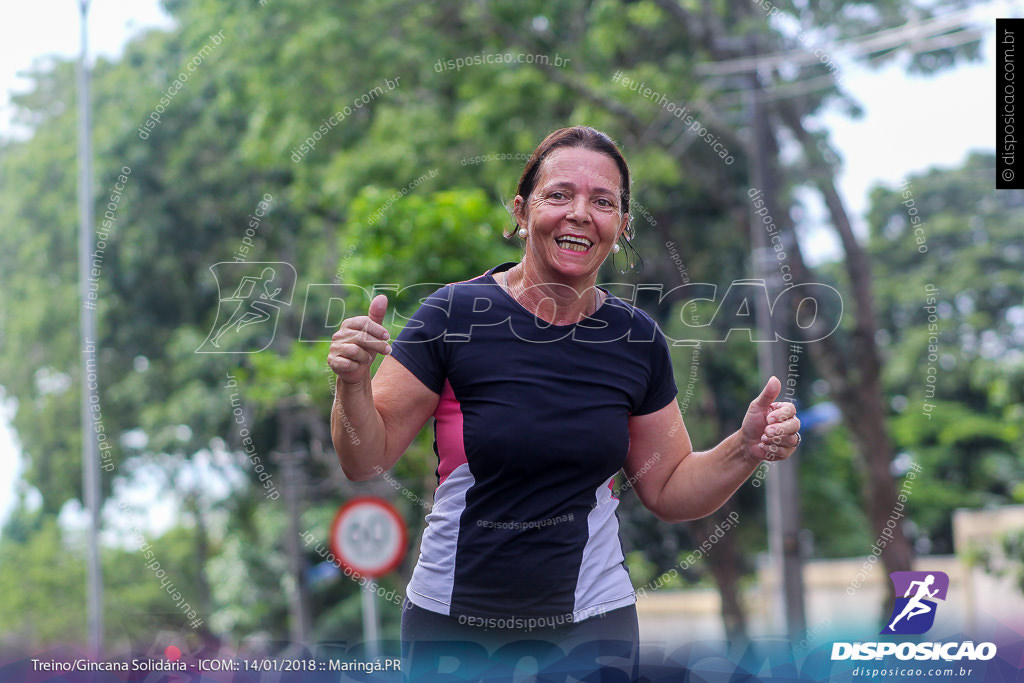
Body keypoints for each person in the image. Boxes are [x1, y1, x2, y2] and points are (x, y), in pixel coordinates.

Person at [327, 126, 801, 680]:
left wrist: (744, 448)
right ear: (522, 212)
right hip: (451, 623)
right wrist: (353, 386)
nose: (580, 213)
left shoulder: (635, 339)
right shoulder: (452, 316)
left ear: (621, 227)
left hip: (592, 622)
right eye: (559, 195)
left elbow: (669, 489)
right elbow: (365, 458)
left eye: (603, 202)